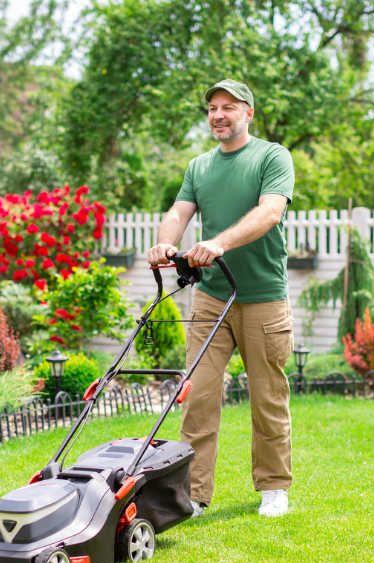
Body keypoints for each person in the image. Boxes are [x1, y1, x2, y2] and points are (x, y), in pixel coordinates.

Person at [146, 79, 295, 518]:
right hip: (212, 297)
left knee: (268, 397)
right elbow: (178, 212)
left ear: (248, 112)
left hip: (263, 296)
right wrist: (164, 243)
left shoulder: (271, 156)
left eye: (228, 107)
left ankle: (273, 487)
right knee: (199, 396)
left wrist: (220, 243)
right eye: (212, 108)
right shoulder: (200, 166)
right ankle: (193, 495)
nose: (218, 115)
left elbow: (270, 212)